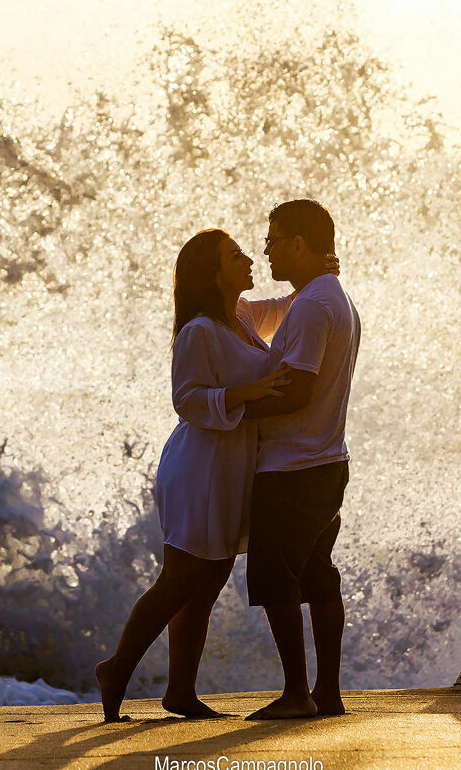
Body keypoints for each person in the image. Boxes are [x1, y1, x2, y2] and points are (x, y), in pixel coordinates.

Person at [95, 228, 304, 723]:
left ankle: (180, 692)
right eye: (235, 256)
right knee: (181, 577)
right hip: (199, 467)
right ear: (212, 273)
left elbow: (286, 309)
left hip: (231, 467)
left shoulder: (242, 316)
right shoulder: (199, 331)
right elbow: (186, 400)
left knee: (208, 580)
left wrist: (315, 279)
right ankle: (116, 669)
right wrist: (250, 392)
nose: (249, 258)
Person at [242, 199, 360, 720]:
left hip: (294, 466)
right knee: (317, 574)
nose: (265, 250)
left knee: (276, 577)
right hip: (325, 460)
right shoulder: (327, 298)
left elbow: (299, 388)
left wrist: (234, 408)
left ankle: (297, 694)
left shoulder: (313, 306)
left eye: (272, 240)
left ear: (297, 243)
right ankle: (327, 692)